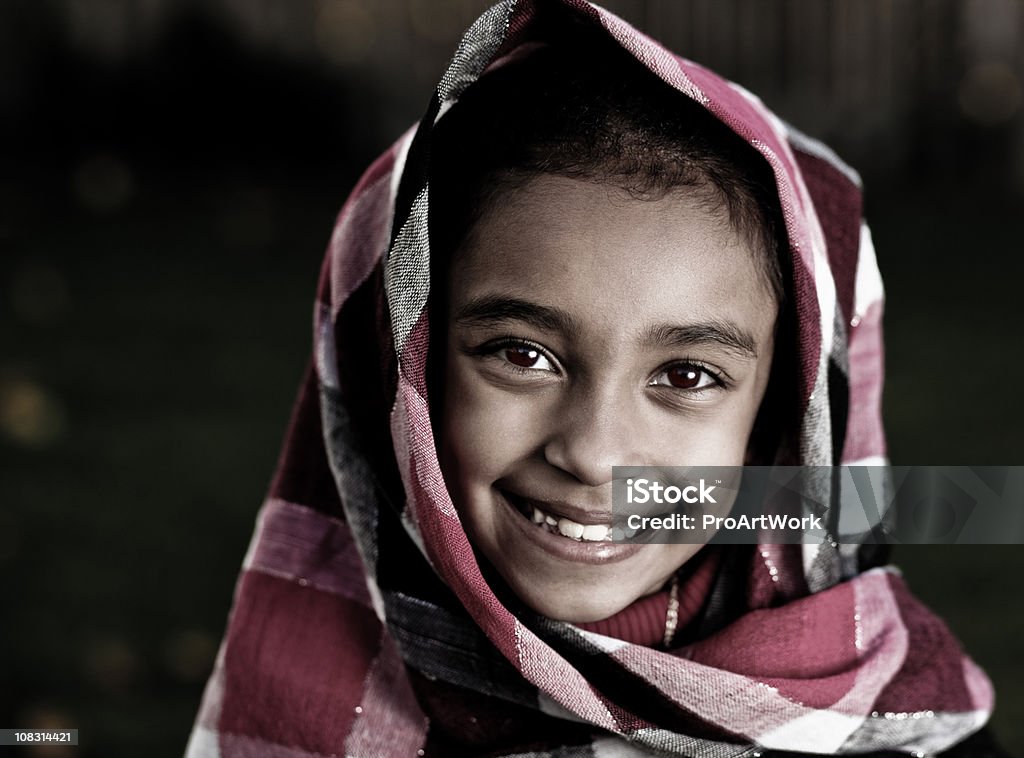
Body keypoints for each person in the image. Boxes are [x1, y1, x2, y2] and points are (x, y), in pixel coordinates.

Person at [186, 1, 1005, 756]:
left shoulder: (898, 735)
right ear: (404, 367)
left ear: (785, 424)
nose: (594, 454)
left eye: (687, 374)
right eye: (522, 354)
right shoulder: (298, 708)